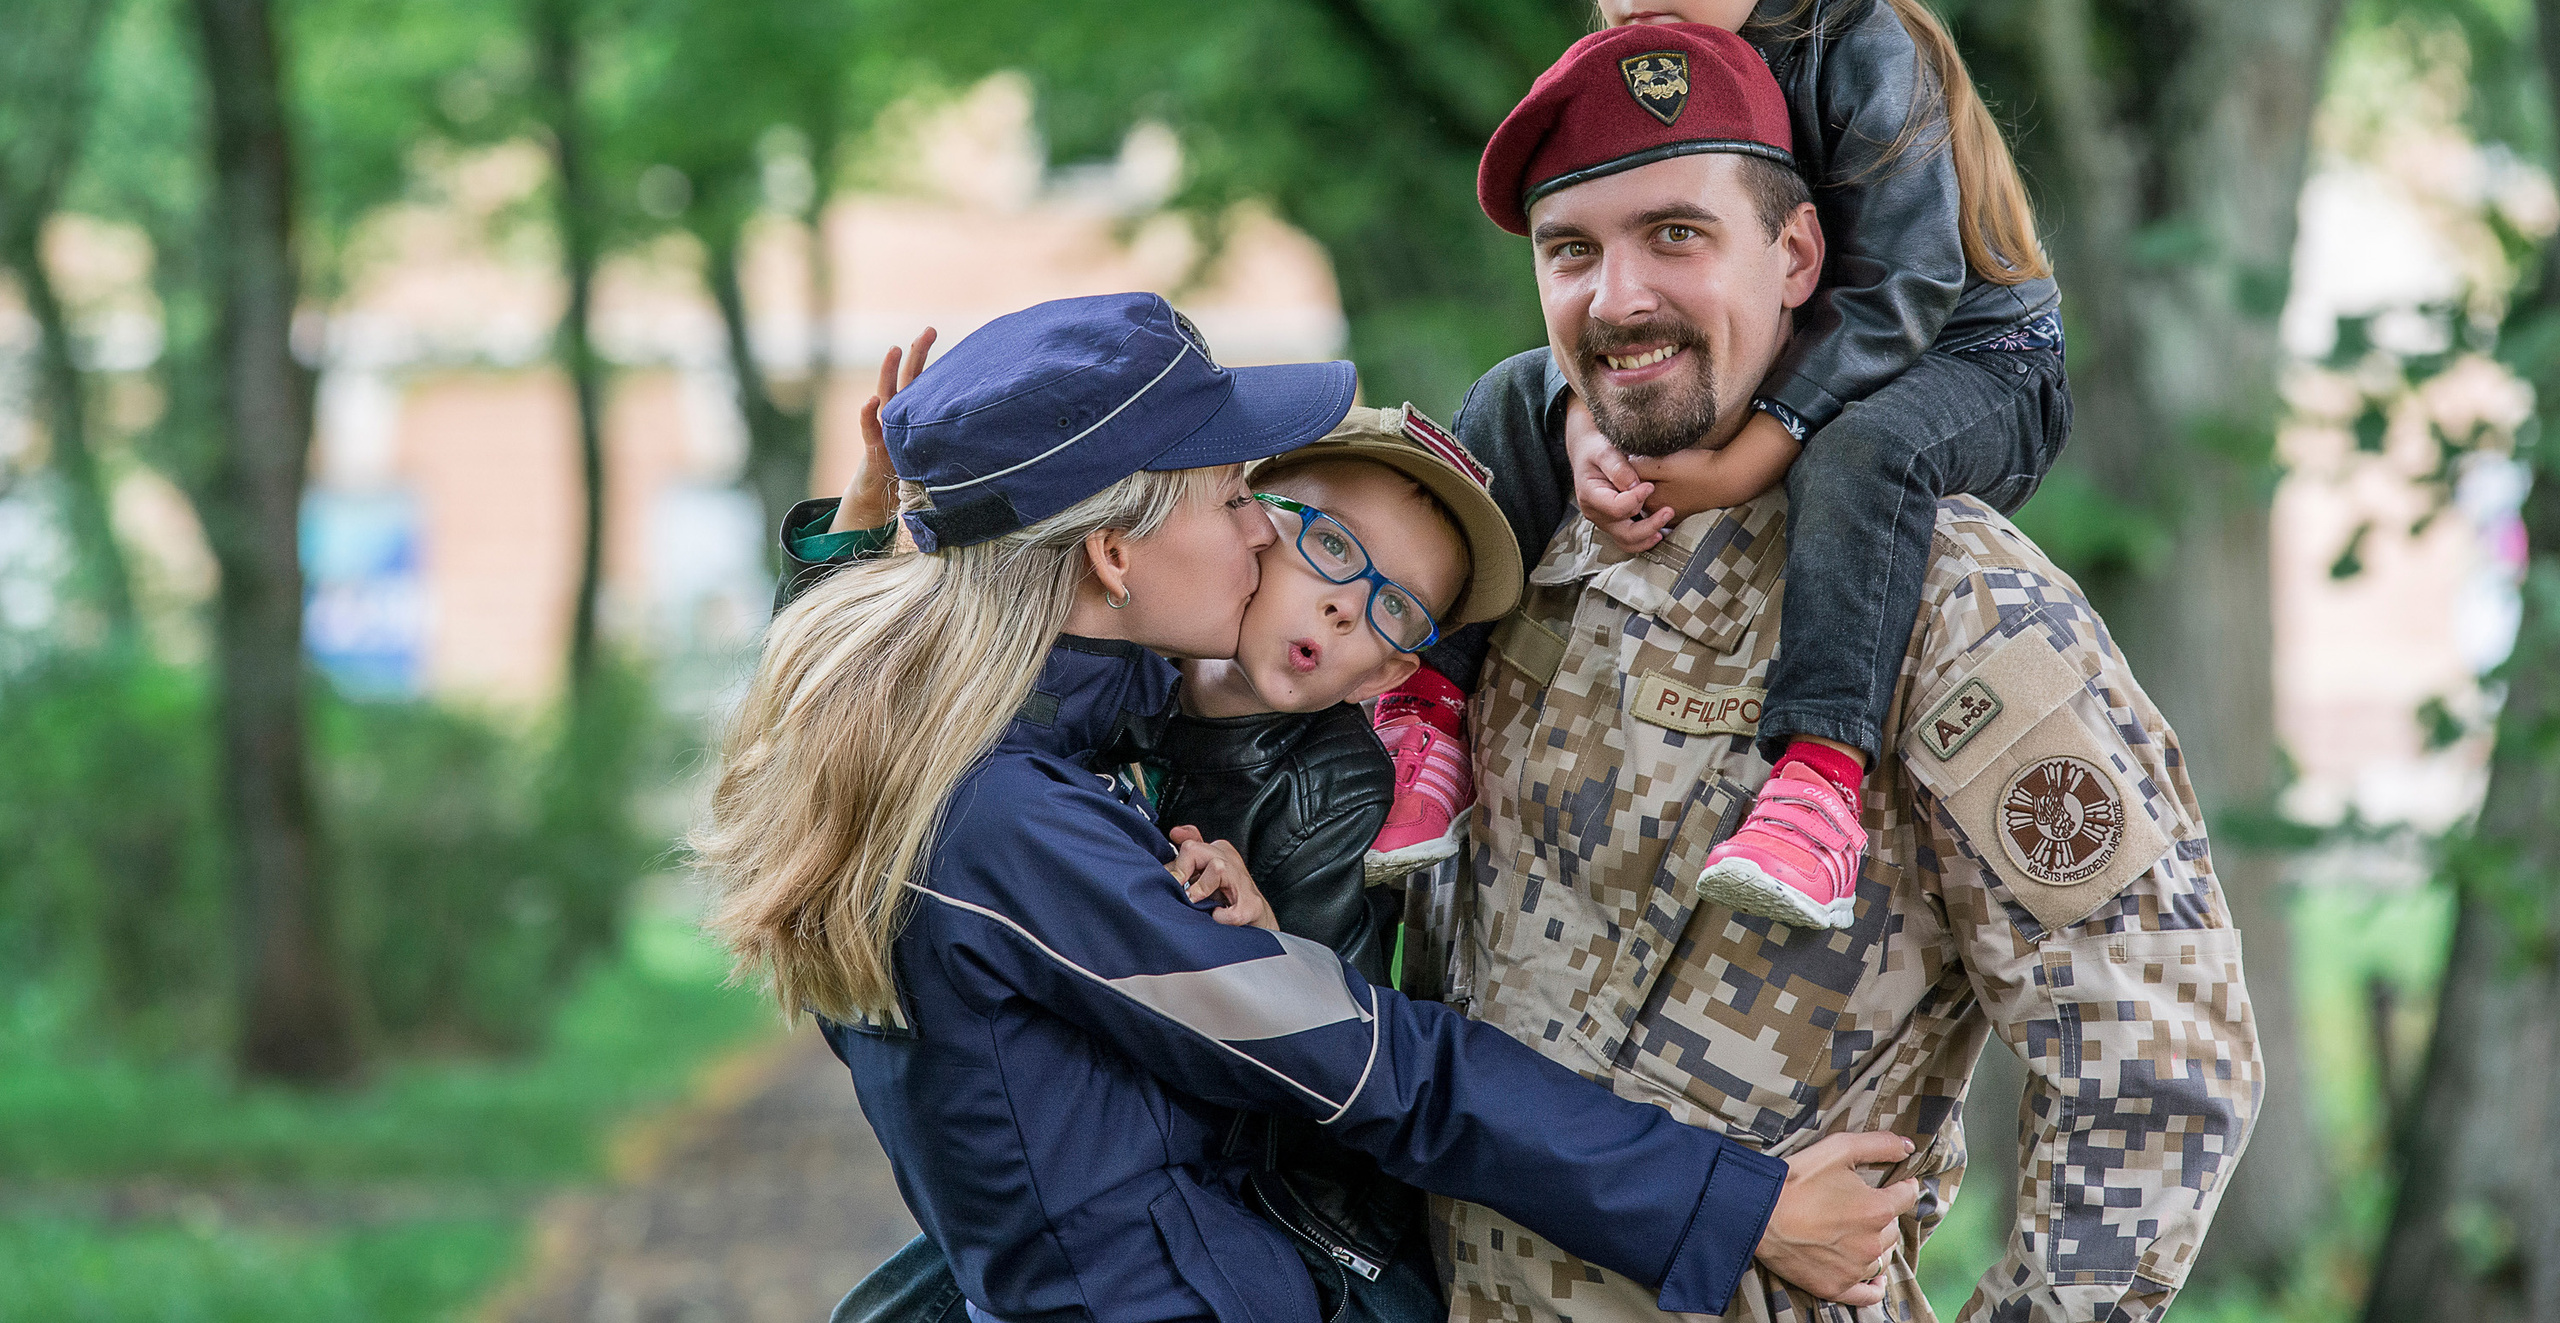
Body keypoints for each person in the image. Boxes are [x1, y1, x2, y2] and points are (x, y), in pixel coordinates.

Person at [696, 291, 1915, 1323]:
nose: (1257, 531)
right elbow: (1375, 1067)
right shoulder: (1003, 824)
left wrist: (863, 549)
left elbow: (866, 679)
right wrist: (1739, 1207)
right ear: (1114, 557)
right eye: (1233, 497)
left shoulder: (937, 737)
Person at [1402, 32, 2261, 1320]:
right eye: (1569, 251)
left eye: (1676, 235)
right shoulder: (1516, 545)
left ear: (1797, 255)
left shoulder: (1947, 599)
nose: (1617, 299)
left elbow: (2156, 1065)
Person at [1369, 0, 2071, 936]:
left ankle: (1818, 783)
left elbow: (1900, 289)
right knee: (1505, 395)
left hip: (1965, 356)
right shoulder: (1644, 63)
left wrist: (1758, 449)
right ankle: (1427, 706)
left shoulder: (1864, 54)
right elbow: (1618, 283)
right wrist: (1584, 419)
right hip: (1796, 345)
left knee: (1865, 454)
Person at [800, 396, 1526, 1320]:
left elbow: (1330, 1075)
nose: (1347, 605)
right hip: (1121, 1145)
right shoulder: (1132, 670)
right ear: (1248, 527)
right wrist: (853, 552)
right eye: (1331, 545)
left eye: (1394, 608)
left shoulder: (1334, 786)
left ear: (1390, 672)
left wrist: (1272, 948)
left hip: (1278, 1209)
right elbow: (878, 727)